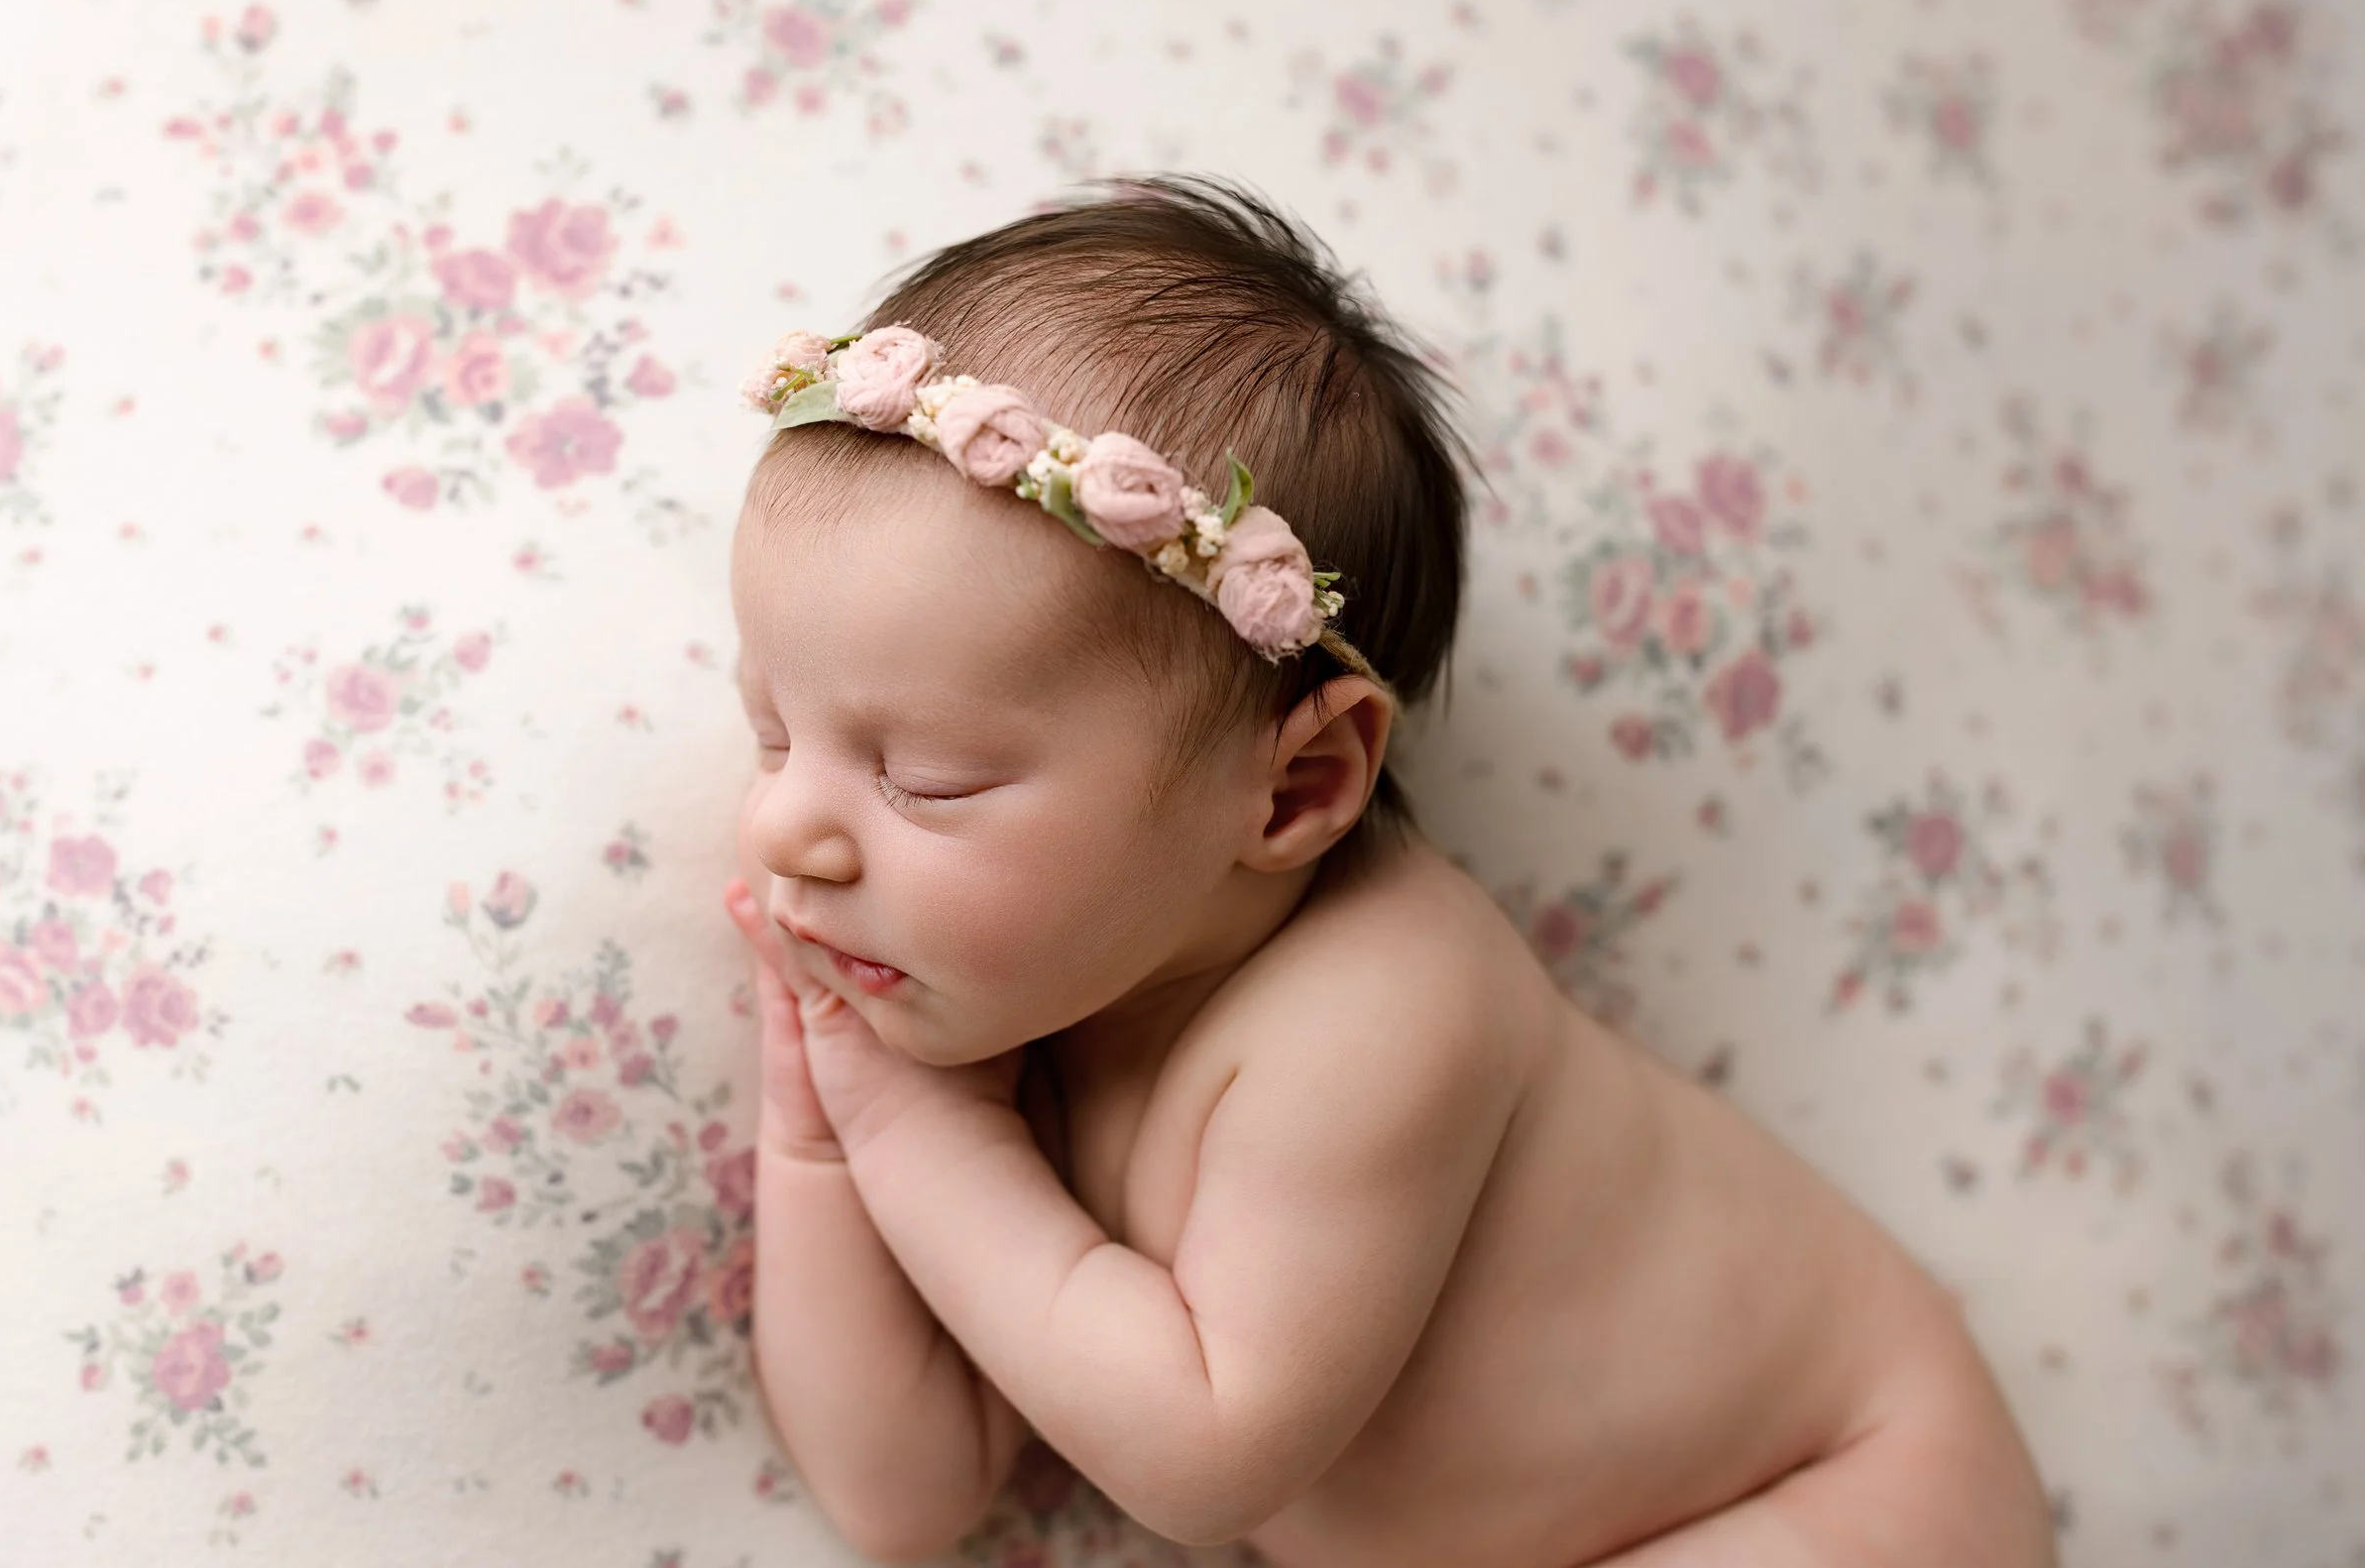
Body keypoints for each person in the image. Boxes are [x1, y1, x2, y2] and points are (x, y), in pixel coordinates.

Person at [721, 176, 2055, 1568]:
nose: (782, 827)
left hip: (1846, 1484)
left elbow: (1203, 1453)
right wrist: (822, 1136)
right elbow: (906, 1495)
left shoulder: (1381, 1004)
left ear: (1296, 786)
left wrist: (913, 1138)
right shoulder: (1039, 991)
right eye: (772, 728)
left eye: (925, 777)